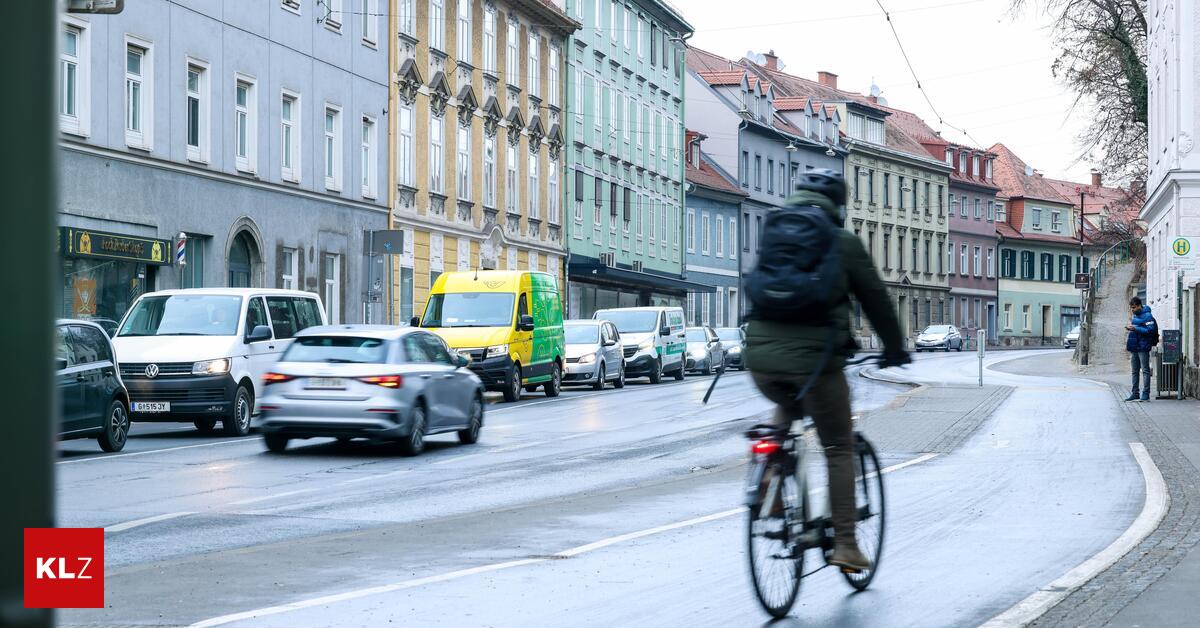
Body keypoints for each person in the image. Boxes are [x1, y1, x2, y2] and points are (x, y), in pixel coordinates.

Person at [744, 169, 910, 573]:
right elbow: (877, 301)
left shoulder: (774, 230)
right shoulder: (843, 242)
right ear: (839, 205)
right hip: (816, 363)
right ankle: (847, 545)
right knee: (838, 446)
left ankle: (770, 479)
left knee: (787, 406)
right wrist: (895, 349)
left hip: (760, 360)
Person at [1125, 297, 1156, 402]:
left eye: (1134, 307)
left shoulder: (1148, 316)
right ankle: (1135, 393)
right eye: (1131, 308)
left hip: (1143, 347)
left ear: (1139, 305)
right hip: (1134, 346)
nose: (1132, 310)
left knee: (1145, 371)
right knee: (1134, 371)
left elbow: (1150, 331)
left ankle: (1146, 394)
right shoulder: (1135, 315)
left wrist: (1135, 328)